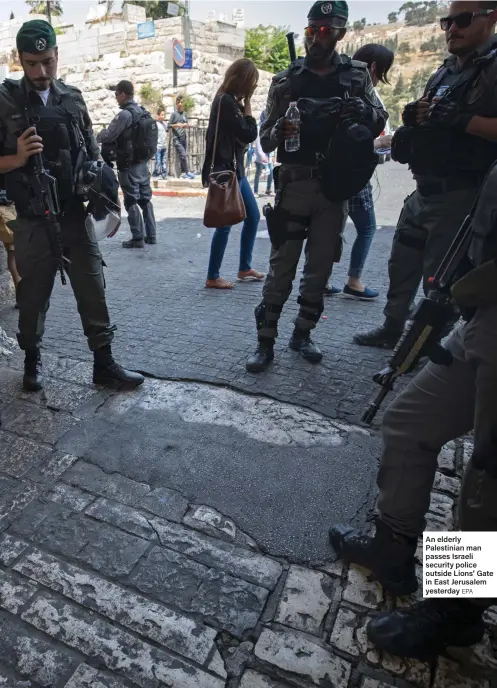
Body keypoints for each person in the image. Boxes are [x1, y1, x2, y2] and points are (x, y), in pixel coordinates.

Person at [329, 159, 497, 661]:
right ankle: (393, 547)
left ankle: (456, 610)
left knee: (485, 481)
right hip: (482, 311)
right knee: (407, 421)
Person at [0, 20, 144, 391]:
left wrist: (102, 187)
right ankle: (32, 361)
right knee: (33, 297)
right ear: (20, 59)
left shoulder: (72, 98)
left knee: (93, 288)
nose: (41, 72)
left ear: (57, 55)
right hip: (32, 218)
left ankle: (104, 363)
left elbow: (93, 152)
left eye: (48, 62)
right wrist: (16, 159)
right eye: (32, 64)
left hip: (75, 215)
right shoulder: (5, 100)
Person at [245, 1, 386, 373]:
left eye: (325, 30)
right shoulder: (285, 80)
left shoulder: (356, 77)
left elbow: (378, 120)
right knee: (281, 269)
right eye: (311, 30)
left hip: (334, 189)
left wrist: (358, 112)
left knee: (320, 268)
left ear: (340, 33)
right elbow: (266, 138)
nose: (316, 37)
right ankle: (265, 341)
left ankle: (303, 333)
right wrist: (284, 129)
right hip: (294, 185)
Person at [354, 0, 497, 348]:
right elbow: (433, 115)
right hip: (423, 190)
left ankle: (423, 349)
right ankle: (392, 331)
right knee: (400, 265)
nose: (452, 29)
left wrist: (461, 120)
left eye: (462, 20)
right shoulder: (446, 70)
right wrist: (416, 115)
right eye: (446, 22)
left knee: (440, 282)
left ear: (492, 17)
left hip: (461, 195)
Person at [326, 44, 394, 301]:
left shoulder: (336, 86)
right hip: (354, 174)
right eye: (381, 72)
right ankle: (354, 280)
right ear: (374, 68)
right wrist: (378, 143)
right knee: (367, 227)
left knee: (332, 226)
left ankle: (321, 278)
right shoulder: (365, 96)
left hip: (331, 171)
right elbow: (356, 138)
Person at [202, 58, 266, 289]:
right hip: (227, 171)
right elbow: (249, 132)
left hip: (233, 170)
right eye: (252, 83)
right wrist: (248, 103)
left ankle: (244, 267)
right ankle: (213, 276)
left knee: (252, 216)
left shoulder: (225, 101)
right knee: (225, 221)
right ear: (244, 82)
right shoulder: (226, 102)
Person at [97, 80, 157, 248]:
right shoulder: (142, 112)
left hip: (128, 165)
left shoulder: (125, 115)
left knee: (131, 200)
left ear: (123, 95)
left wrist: (97, 136)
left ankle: (137, 237)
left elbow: (109, 135)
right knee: (145, 200)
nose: (116, 99)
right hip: (142, 164)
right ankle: (151, 235)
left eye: (117, 95)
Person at [0, 180, 20, 307]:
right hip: (8, 210)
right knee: (14, 255)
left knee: (13, 255)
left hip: (8, 209)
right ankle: (21, 296)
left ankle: (21, 295)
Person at [169, 95, 194, 179]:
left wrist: (186, 125)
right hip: (176, 138)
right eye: (179, 102)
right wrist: (176, 125)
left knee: (183, 155)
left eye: (181, 102)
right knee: (183, 154)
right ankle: (187, 172)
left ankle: (184, 174)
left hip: (184, 137)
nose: (180, 104)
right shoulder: (173, 114)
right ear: (176, 103)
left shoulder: (185, 114)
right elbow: (168, 125)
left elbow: (187, 123)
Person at [153, 108, 168, 179]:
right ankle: (155, 173)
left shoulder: (165, 124)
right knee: (158, 161)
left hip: (164, 146)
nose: (163, 116)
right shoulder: (155, 124)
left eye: (164, 115)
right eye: (162, 115)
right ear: (158, 115)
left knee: (163, 161)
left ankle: (164, 174)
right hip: (158, 146)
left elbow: (167, 131)